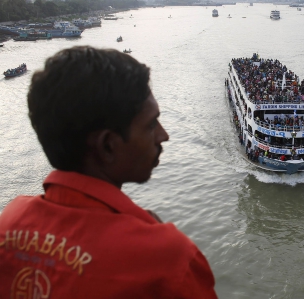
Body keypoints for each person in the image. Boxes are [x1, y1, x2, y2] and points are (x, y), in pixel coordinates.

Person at [0, 47, 217, 298]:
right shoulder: (164, 259)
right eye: (150, 125)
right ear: (107, 146)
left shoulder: (10, 222)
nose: (163, 135)